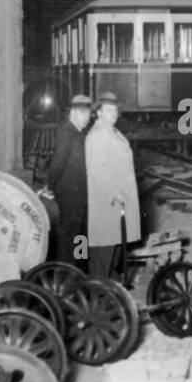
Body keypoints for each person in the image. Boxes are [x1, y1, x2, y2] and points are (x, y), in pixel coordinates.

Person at [84, 91, 141, 278]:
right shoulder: (98, 135)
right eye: (109, 110)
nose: (114, 114)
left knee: (114, 247)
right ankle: (98, 293)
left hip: (117, 204)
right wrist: (114, 194)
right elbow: (97, 171)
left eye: (115, 110)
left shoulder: (112, 132)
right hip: (108, 204)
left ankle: (110, 291)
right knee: (103, 250)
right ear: (98, 113)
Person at [42, 94, 93, 268]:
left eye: (88, 113)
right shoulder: (67, 133)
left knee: (80, 235)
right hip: (70, 196)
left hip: (81, 195)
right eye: (82, 113)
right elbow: (57, 164)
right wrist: (50, 186)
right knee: (68, 238)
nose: (86, 117)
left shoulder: (79, 133)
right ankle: (65, 275)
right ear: (72, 113)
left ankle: (79, 269)